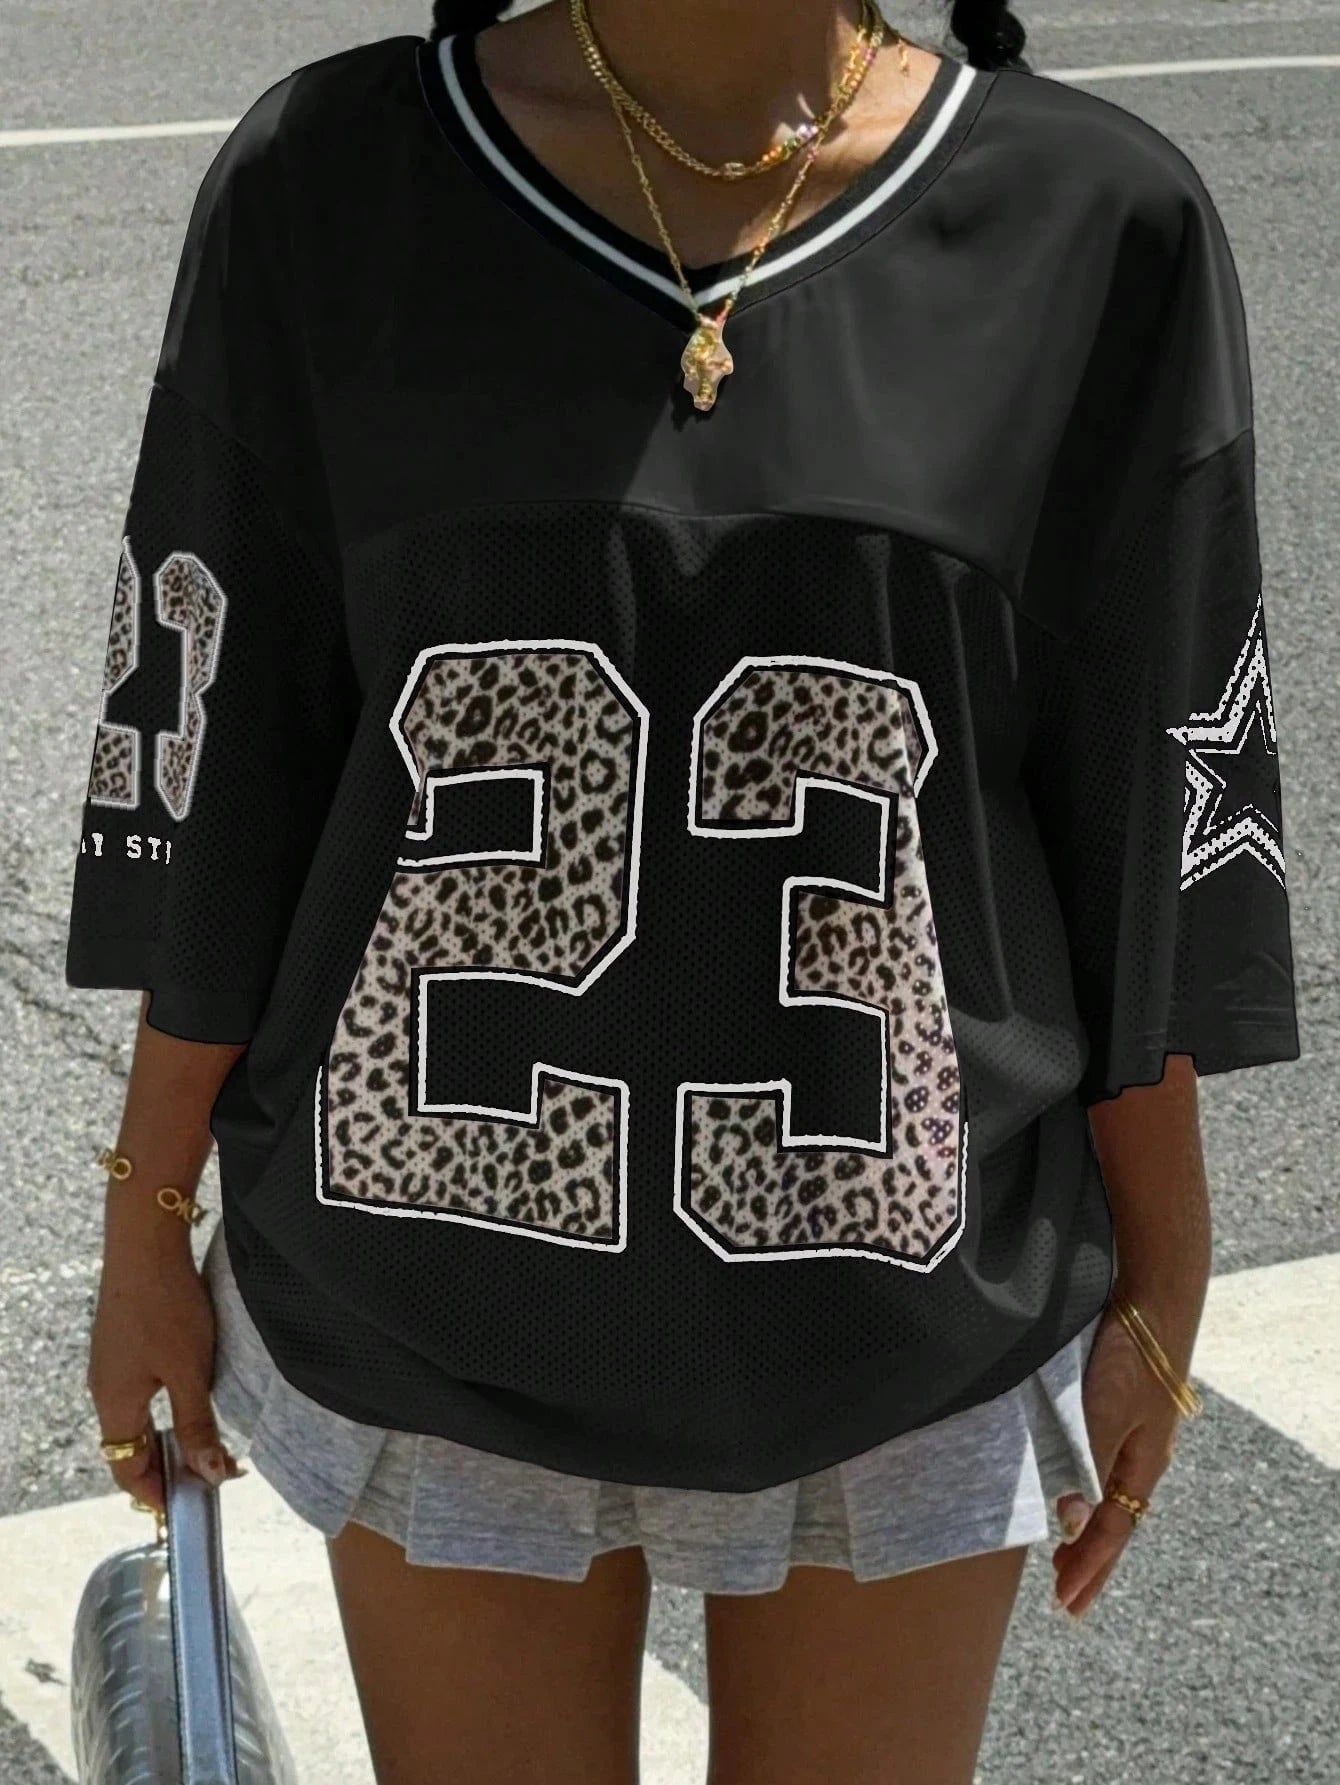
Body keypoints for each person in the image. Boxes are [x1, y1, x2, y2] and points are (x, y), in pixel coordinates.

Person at [64, 0, 1301, 1779]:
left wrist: (1167, 1269)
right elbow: (226, 774)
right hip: (437, 1300)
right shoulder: (327, 183)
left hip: (900, 1308)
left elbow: (1141, 815)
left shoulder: (1098, 220)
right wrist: (142, 1219)